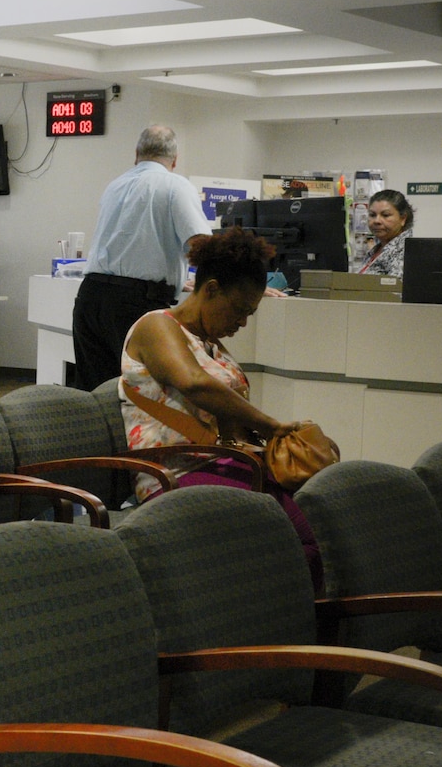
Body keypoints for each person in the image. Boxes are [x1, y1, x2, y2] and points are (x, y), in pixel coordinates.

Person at [120, 225, 321, 580]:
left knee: (312, 542)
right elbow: (194, 383)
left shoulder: (210, 341)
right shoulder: (156, 326)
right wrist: (270, 425)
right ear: (211, 289)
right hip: (174, 475)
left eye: (250, 314)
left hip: (228, 465)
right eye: (239, 310)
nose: (242, 322)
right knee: (277, 543)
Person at [70, 124, 210, 391]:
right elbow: (201, 246)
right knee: (143, 392)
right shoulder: (175, 185)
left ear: (136, 154)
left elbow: (129, 246)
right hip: (135, 304)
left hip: (91, 298)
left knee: (96, 392)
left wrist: (175, 278)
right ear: (175, 160)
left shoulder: (115, 186)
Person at [351, 189, 413, 276]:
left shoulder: (405, 253)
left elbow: (395, 288)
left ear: (403, 219)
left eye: (385, 215)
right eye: (372, 215)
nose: (377, 221)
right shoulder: (376, 250)